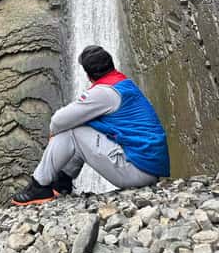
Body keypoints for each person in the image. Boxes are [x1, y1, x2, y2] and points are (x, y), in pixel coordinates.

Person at [11, 45, 170, 205]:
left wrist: (54, 133)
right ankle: (62, 182)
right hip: (147, 168)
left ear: (88, 75)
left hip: (137, 172)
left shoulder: (104, 93)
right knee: (84, 127)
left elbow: (58, 121)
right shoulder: (122, 84)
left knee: (73, 131)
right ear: (111, 65)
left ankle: (39, 185)